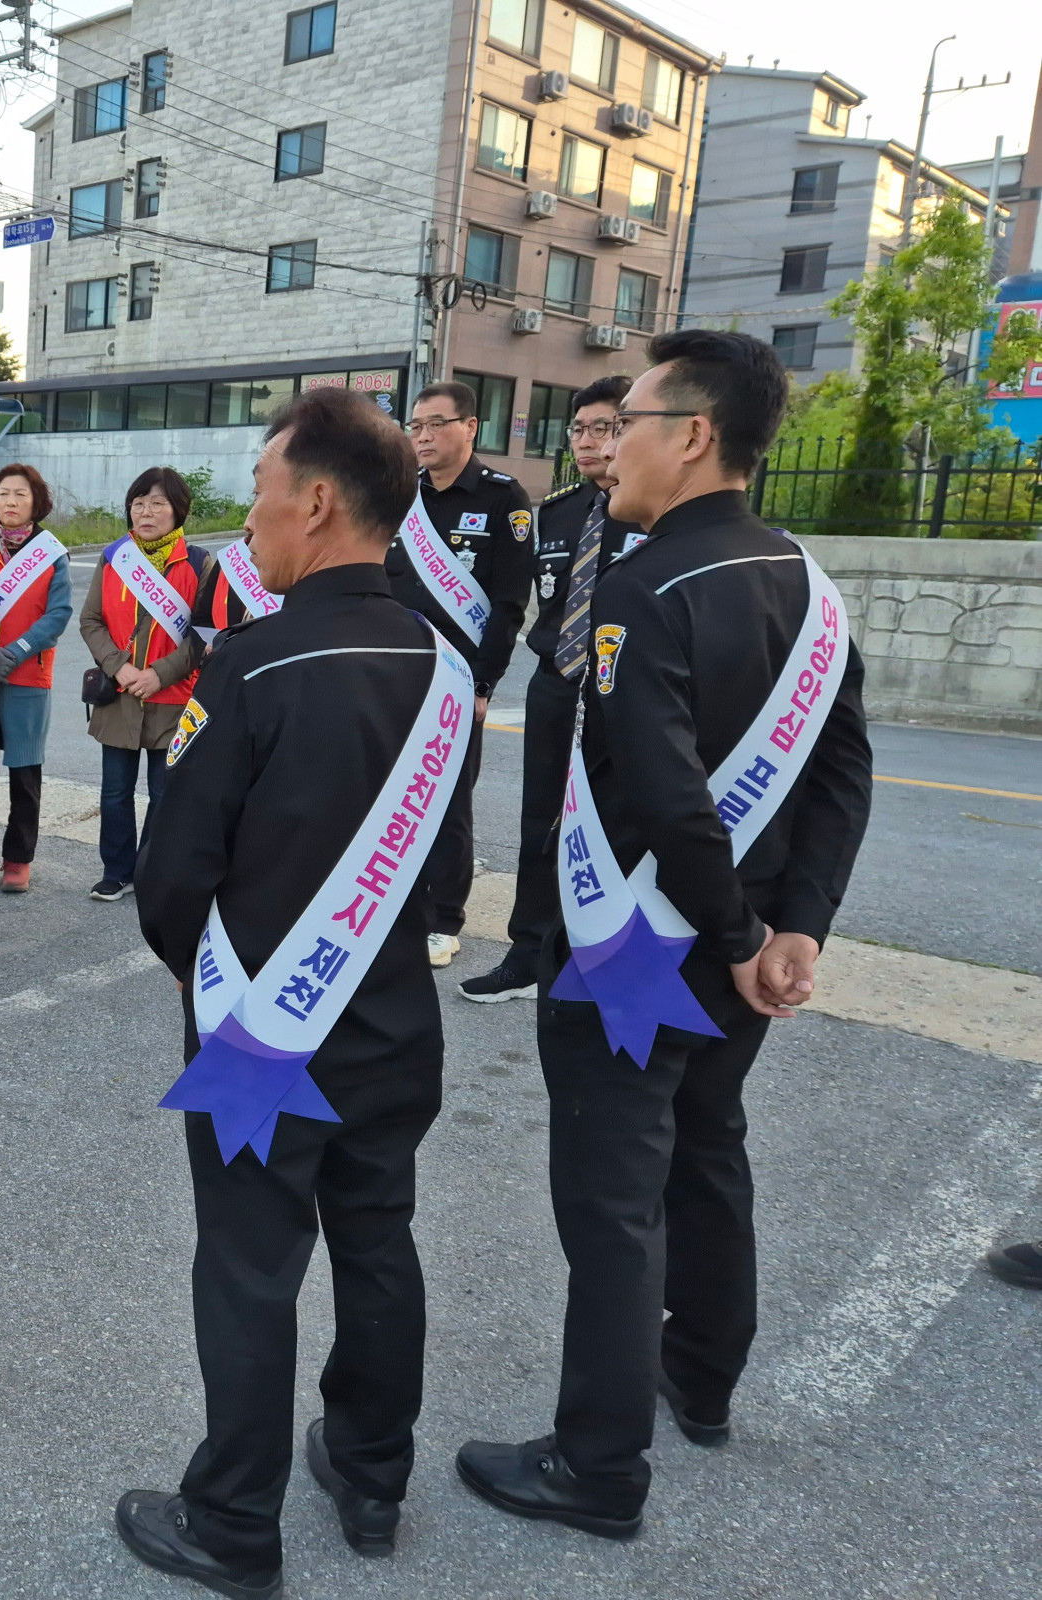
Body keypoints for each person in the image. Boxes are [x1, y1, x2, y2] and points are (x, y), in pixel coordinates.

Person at [457, 330, 872, 1538]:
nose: (608, 444)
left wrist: (744, 929)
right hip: (746, 953)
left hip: (640, 948)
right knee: (708, 1149)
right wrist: (797, 929)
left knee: (615, 1198)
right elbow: (845, 772)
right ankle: (700, 1378)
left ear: (693, 435)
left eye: (627, 418)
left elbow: (658, 786)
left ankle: (596, 1465)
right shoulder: (807, 580)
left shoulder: (642, 586)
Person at [116, 388, 461, 1597]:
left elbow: (171, 878)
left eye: (261, 492)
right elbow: (444, 862)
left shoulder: (251, 663)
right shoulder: (442, 661)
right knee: (378, 1244)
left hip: (265, 1035)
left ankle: (233, 1522)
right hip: (392, 1026)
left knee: (251, 1268)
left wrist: (206, 983)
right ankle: (371, 1476)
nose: (248, 520)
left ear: (317, 502)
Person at [461, 376, 638, 1004]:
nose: (588, 441)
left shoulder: (654, 514)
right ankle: (529, 950)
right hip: (557, 684)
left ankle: (604, 951)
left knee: (619, 822)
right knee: (541, 818)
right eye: (579, 429)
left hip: (624, 692)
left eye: (606, 428)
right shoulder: (559, 511)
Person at [384, 380, 536, 967]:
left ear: (469, 427)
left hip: (456, 682)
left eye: (435, 424)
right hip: (397, 673)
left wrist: (482, 683)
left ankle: (443, 920)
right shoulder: (402, 496)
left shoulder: (505, 498)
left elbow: (507, 604)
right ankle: (395, 903)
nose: (422, 435)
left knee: (446, 802)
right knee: (391, 793)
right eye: (415, 425)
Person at [79, 466, 208, 903]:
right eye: (138, 503)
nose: (146, 512)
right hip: (120, 696)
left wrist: (159, 674)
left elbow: (203, 635)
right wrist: (119, 668)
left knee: (163, 793)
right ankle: (116, 871)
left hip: (173, 697)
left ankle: (152, 869)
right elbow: (91, 620)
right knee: (114, 792)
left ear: (178, 511)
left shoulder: (198, 563)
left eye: (157, 503)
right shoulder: (115, 557)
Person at [0, 463, 72, 895]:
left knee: (25, 773)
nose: (11, 501)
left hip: (27, 675)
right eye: (4, 493)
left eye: (20, 494)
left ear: (35, 502)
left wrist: (15, 651)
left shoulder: (52, 553)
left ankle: (18, 859)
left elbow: (58, 613)